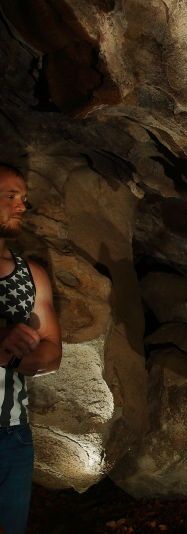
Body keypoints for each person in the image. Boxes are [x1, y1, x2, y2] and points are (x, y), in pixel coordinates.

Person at [0, 163, 62, 534]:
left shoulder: (31, 275)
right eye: (10, 196)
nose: (22, 205)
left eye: (24, 198)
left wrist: (17, 356)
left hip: (11, 434)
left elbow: (52, 351)